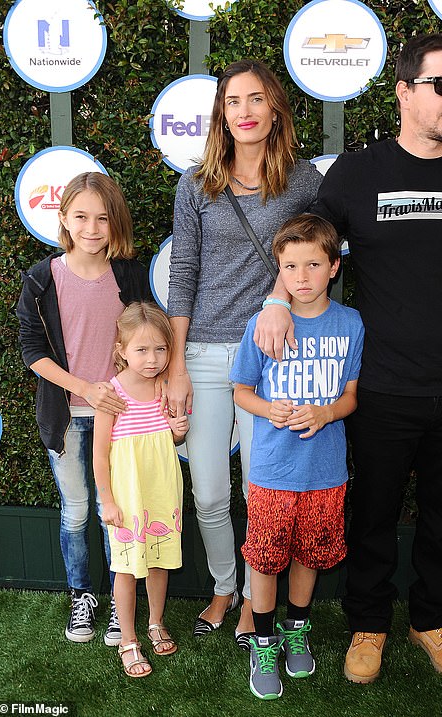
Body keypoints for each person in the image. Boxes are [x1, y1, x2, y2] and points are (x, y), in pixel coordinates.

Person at [254, 33, 442, 683]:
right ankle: (368, 623)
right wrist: (276, 301)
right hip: (378, 384)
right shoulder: (358, 173)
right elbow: (309, 246)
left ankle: (433, 619)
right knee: (371, 511)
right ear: (404, 91)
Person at [166, 59, 323, 647]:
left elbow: (315, 252)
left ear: (275, 107)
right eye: (233, 102)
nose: (245, 111)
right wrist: (177, 364)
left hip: (274, 350)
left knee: (264, 490)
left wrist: (278, 299)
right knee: (208, 490)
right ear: (221, 114)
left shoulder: (303, 180)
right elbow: (183, 272)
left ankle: (258, 608)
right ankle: (224, 586)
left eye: (256, 99)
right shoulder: (196, 183)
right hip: (204, 351)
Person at [230, 215, 364, 699]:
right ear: (279, 272)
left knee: (311, 553)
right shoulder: (260, 325)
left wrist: (325, 413)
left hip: (326, 471)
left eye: (312, 264)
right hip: (271, 470)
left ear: (334, 266)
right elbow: (241, 390)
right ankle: (263, 642)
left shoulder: (350, 324)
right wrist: (270, 409)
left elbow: (351, 397)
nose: (301, 277)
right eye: (290, 267)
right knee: (265, 559)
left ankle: (296, 629)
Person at [17, 172, 153, 646]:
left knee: (117, 509)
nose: (93, 228)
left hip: (123, 417)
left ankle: (122, 603)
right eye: (82, 217)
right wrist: (85, 389)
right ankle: (81, 595)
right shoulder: (41, 278)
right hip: (68, 417)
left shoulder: (133, 275)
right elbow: (32, 350)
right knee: (76, 511)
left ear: (115, 223)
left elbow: (152, 339)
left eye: (103, 218)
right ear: (64, 219)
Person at [93, 302, 188, 678]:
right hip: (128, 498)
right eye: (142, 350)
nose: (152, 359)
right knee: (128, 569)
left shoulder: (167, 387)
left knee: (160, 561)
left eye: (161, 349)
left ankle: (156, 621)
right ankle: (129, 638)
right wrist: (107, 500)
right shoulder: (111, 396)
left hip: (162, 491)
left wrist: (179, 430)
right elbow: (100, 455)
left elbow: (175, 438)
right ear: (122, 350)